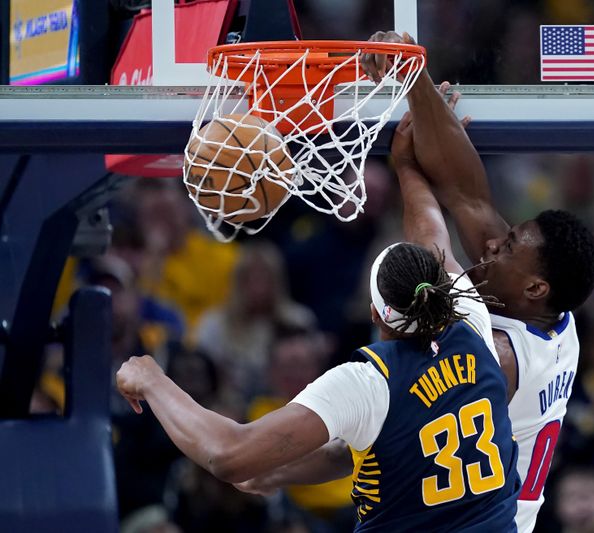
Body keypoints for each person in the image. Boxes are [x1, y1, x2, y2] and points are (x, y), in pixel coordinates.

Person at [116, 118, 521, 531]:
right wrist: (277, 472)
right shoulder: (472, 319)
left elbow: (226, 454)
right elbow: (431, 232)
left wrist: (151, 378)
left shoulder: (367, 383)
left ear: (376, 314)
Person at [359, 30, 594, 532]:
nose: (494, 245)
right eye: (508, 238)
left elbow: (430, 255)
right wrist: (417, 85)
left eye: (509, 247)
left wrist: (405, 164)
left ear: (535, 287)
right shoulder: (547, 300)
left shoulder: (498, 349)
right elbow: (468, 197)